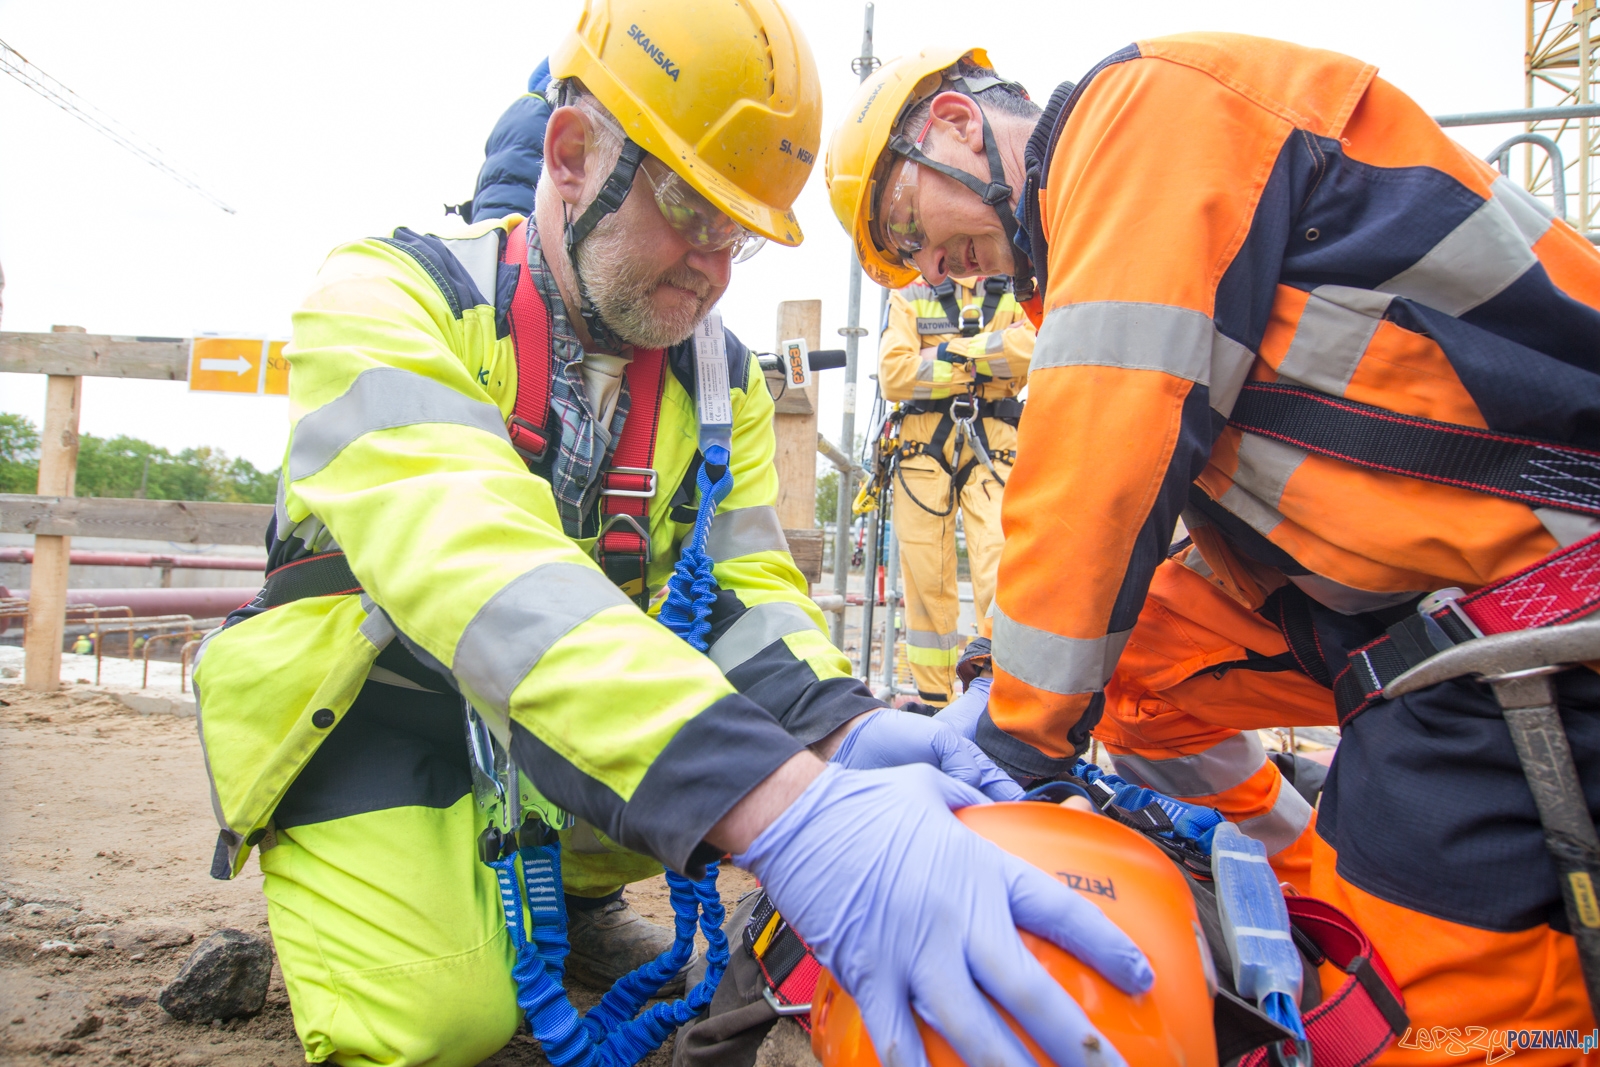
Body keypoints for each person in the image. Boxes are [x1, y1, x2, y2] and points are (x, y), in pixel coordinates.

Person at [191, 5, 1151, 1067]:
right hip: (382, 706)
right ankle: (383, 882)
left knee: (714, 756)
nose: (713, 267)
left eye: (738, 232)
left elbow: (740, 588)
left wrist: (843, 730)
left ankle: (569, 905)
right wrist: (790, 810)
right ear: (569, 156)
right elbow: (481, 570)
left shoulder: (716, 372)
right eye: (691, 207)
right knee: (435, 1024)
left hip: (557, 723)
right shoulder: (383, 297)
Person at [827, 36, 1600, 1058]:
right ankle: (1298, 861)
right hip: (1390, 589)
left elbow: (1096, 470)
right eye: (901, 264)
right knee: (1142, 665)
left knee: (1427, 1021)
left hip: (1532, 575)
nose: (926, 266)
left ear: (955, 128)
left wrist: (1012, 748)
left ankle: (1412, 922)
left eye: (904, 228)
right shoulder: (1085, 236)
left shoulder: (1139, 113)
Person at [878, 274, 1032, 706]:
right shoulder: (911, 291)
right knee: (926, 581)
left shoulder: (1023, 283)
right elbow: (893, 375)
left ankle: (997, 698)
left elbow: (1039, 347)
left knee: (1004, 566)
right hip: (921, 448)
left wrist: (948, 352)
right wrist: (995, 353)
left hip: (996, 447)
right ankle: (937, 704)